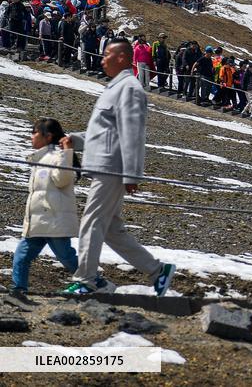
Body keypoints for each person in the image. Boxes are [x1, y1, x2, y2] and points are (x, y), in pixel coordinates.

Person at [62, 38, 176, 296]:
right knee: (111, 229)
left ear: (122, 57)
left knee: (91, 222)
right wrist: (75, 140)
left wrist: (131, 173)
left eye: (106, 55)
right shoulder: (116, 87)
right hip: (105, 165)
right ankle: (158, 271)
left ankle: (87, 280)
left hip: (111, 168)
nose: (102, 60)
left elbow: (132, 132)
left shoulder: (130, 88)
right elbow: (105, 131)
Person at [11, 119, 79, 296]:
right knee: (21, 257)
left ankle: (97, 283)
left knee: (67, 259)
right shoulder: (41, 158)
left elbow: (62, 180)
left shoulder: (58, 156)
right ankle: (19, 290)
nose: (31, 136)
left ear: (48, 136)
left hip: (54, 221)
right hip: (39, 222)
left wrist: (67, 152)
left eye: (34, 132)